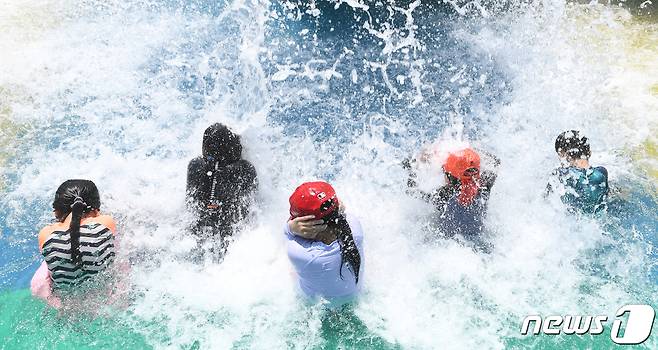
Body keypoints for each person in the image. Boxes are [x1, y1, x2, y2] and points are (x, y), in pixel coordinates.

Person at [30, 179, 118, 308]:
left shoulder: (45, 234)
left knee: (47, 262)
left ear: (56, 211)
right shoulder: (106, 223)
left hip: (67, 302)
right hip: (103, 295)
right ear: (96, 209)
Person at [285, 181, 364, 303]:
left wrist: (290, 227)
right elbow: (341, 212)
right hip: (354, 295)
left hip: (317, 304)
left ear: (307, 224)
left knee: (291, 273)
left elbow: (287, 233)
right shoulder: (355, 229)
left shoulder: (302, 254)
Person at [186, 123, 258, 255]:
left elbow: (190, 204)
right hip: (230, 233)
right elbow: (252, 207)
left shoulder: (195, 165)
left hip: (198, 230)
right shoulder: (246, 169)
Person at [404, 147, 499, 240]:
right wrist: (470, 150)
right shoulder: (484, 186)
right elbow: (496, 161)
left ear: (448, 177)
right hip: (478, 237)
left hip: (449, 243)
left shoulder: (444, 195)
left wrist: (411, 167)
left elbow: (412, 190)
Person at [545, 130, 609, 213]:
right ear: (589, 153)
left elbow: (545, 201)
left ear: (562, 154)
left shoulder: (560, 174)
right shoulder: (602, 172)